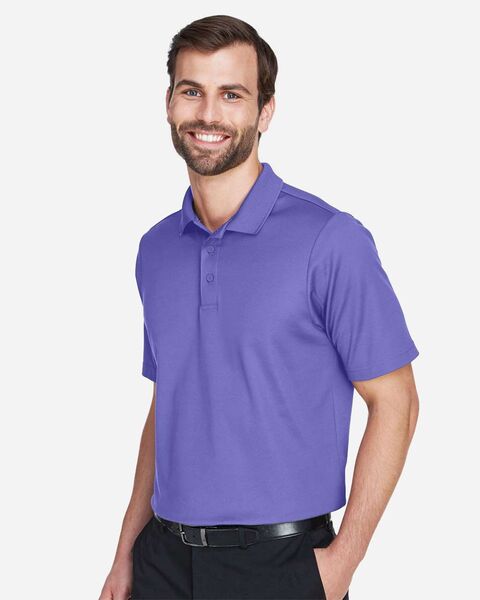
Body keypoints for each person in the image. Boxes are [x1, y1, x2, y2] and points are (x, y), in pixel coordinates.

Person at [99, 14, 420, 600]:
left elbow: (396, 401)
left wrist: (341, 565)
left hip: (283, 566)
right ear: (169, 104)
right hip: (161, 563)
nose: (208, 114)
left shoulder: (331, 240)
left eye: (232, 95)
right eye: (191, 91)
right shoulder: (155, 249)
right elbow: (168, 403)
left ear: (265, 111)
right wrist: (125, 554)